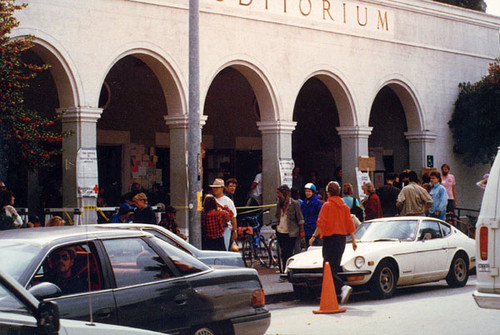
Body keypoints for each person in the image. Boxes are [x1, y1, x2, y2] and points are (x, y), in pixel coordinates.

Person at [309, 181, 357, 304]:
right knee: (334, 267)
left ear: (328, 192)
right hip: (341, 239)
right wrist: (353, 241)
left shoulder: (327, 206)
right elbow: (350, 224)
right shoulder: (344, 207)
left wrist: (314, 237)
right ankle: (337, 293)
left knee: (327, 268)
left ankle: (342, 287)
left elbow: (320, 223)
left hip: (330, 239)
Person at [274, 185, 305, 271]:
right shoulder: (279, 204)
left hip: (291, 232)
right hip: (280, 230)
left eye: (279, 193)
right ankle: (284, 269)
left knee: (289, 252)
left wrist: (302, 230)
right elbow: (277, 215)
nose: (278, 195)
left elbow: (300, 218)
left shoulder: (294, 204)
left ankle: (287, 269)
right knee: (283, 252)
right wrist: (277, 223)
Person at [210, 178, 237, 251]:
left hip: (225, 229)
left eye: (216, 188)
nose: (214, 190)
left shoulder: (228, 201)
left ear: (222, 188)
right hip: (214, 230)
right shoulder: (211, 200)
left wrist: (234, 231)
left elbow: (233, 217)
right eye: (213, 188)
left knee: (224, 248)